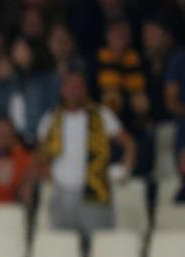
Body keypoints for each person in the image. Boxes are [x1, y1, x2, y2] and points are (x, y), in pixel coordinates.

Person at [33, 69, 135, 243]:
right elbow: (40, 153)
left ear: (85, 90)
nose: (73, 90)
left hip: (94, 191)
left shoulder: (101, 115)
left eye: (78, 86)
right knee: (62, 247)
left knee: (100, 244)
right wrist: (44, 171)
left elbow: (128, 142)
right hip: (61, 192)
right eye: (69, 86)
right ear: (62, 90)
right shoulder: (51, 119)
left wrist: (127, 163)